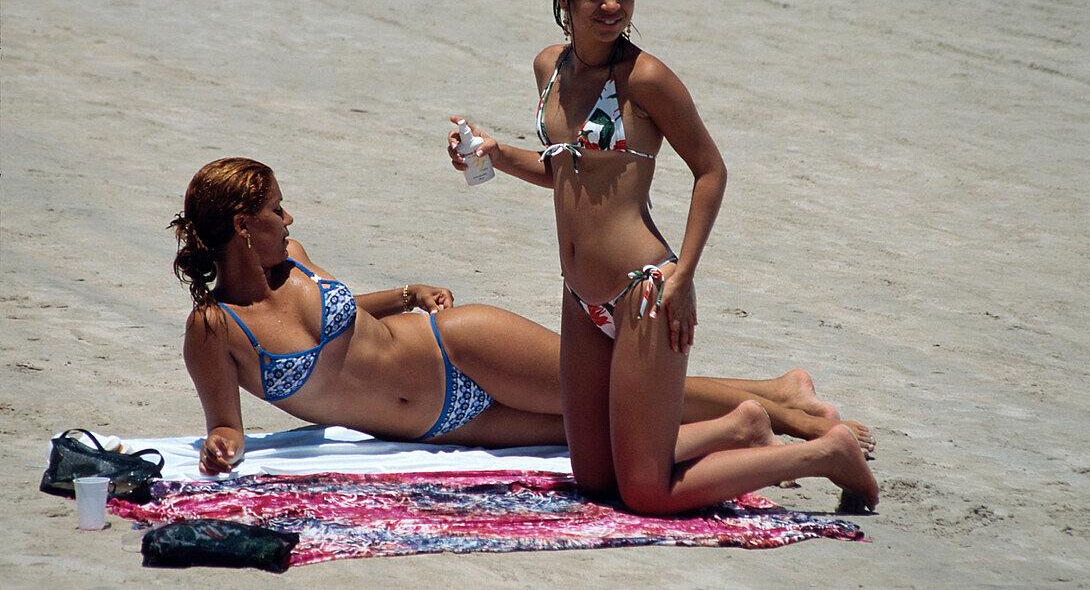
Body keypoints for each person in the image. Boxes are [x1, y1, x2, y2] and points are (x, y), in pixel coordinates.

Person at [448, 0, 877, 514]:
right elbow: (565, 172)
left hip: (643, 291)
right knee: (594, 480)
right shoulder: (549, 67)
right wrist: (497, 156)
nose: (612, 7)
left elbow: (710, 170)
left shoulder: (644, 79)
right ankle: (741, 427)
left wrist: (685, 275)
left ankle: (825, 454)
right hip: (580, 297)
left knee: (646, 492)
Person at [172, 157, 871, 476]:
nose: (288, 218)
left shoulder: (293, 258)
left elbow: (346, 315)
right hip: (447, 423)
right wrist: (224, 447)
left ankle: (783, 400)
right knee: (593, 428)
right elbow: (225, 421)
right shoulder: (214, 330)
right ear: (242, 225)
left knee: (616, 393)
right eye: (275, 209)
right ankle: (755, 416)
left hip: (460, 346)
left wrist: (409, 292)